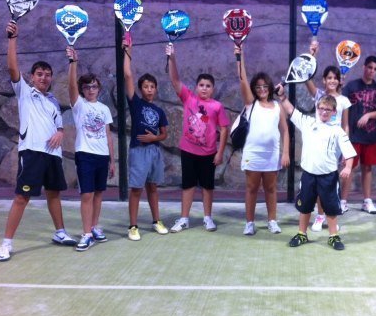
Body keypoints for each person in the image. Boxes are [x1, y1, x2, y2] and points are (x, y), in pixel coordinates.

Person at [0, 20, 75, 262]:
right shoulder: (24, 92)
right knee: (22, 197)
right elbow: (12, 67)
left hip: (53, 155)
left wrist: (60, 132)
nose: (44, 78)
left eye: (48, 75)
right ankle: (6, 243)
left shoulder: (52, 100)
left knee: (54, 194)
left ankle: (60, 233)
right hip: (32, 152)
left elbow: (58, 125)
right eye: (40, 74)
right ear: (31, 77)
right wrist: (12, 39)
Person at [276, 86, 356, 250]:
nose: (324, 112)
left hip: (329, 177)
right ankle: (302, 234)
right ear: (317, 108)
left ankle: (333, 236)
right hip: (308, 176)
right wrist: (282, 96)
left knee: (331, 208)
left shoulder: (338, 131)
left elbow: (349, 153)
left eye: (328, 109)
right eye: (321, 108)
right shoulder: (308, 123)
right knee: (305, 206)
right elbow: (291, 110)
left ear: (334, 112)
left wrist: (348, 167)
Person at [166, 44, 230, 233]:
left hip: (208, 154)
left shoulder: (217, 106)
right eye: (201, 85)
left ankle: (207, 218)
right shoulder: (189, 98)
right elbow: (175, 80)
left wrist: (220, 153)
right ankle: (184, 218)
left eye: (208, 86)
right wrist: (172, 58)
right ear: (196, 87)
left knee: (208, 187)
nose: (204, 88)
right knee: (188, 185)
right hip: (188, 151)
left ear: (213, 89)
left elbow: (224, 129)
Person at [235, 44, 290, 236]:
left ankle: (272, 221)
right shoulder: (251, 103)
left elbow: (285, 131)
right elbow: (242, 79)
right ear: (254, 89)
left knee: (271, 188)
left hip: (272, 155)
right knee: (251, 188)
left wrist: (285, 153)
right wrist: (239, 56)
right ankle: (249, 223)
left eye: (265, 86)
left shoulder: (277, 106)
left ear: (270, 87)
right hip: (253, 153)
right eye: (258, 87)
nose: (262, 89)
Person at [66, 46, 115, 251]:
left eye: (94, 86)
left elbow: (108, 135)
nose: (91, 89)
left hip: (102, 156)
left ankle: (94, 227)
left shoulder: (104, 109)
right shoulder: (79, 105)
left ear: (99, 89)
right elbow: (71, 86)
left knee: (98, 194)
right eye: (87, 87)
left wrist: (112, 161)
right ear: (82, 90)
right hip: (85, 155)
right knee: (87, 194)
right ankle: (86, 234)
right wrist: (73, 63)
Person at [123, 35, 169, 241]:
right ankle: (133, 226)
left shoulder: (159, 110)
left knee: (153, 187)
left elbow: (164, 134)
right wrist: (128, 51)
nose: (149, 89)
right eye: (146, 86)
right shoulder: (136, 103)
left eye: (152, 86)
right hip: (138, 151)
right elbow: (127, 75)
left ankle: (156, 221)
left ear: (156, 89)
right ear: (140, 89)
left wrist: (154, 138)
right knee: (136, 189)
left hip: (154, 151)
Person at [305, 40, 350, 232]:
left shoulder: (344, 100)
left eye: (335, 78)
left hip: (336, 147)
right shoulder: (319, 96)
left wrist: (345, 151)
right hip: (318, 144)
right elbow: (307, 79)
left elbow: (345, 125)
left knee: (331, 183)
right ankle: (319, 215)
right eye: (329, 78)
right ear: (324, 80)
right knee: (318, 181)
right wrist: (312, 55)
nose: (332, 80)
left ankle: (331, 215)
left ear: (339, 81)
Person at [341, 55, 376, 214]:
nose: (372, 71)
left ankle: (367, 201)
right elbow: (342, 106)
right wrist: (345, 134)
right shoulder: (351, 86)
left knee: (367, 168)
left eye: (375, 69)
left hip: (370, 136)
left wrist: (368, 116)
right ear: (364, 67)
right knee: (349, 168)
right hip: (353, 136)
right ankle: (343, 201)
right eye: (369, 67)